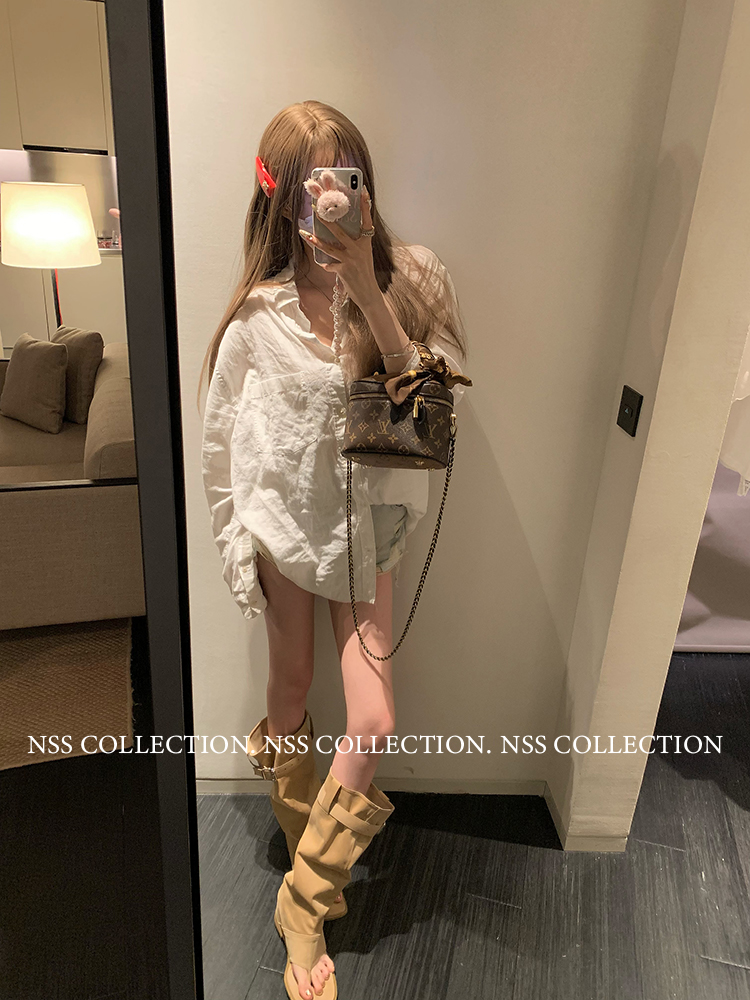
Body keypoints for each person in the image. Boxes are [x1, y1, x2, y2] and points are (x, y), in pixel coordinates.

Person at [199, 100, 469, 1000]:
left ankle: (304, 901)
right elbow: (221, 444)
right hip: (284, 533)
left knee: (373, 718)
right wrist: (236, 545)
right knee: (288, 691)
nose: (333, 196)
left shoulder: (413, 278)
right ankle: (301, 845)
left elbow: (433, 406)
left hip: (366, 536)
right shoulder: (258, 317)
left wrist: (367, 288)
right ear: (280, 194)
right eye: (313, 180)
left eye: (345, 173)